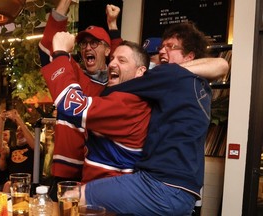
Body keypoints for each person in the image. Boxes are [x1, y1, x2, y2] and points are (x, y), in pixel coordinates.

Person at [50, 21, 226, 215]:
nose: (162, 52)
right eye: (161, 47)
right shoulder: (196, 85)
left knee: (71, 197)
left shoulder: (166, 77)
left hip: (160, 186)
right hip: (185, 192)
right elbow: (221, 64)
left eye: (171, 47)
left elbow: (73, 106)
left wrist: (59, 53)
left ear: (190, 57)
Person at [42, 33, 152, 182]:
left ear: (140, 71)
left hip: (105, 197)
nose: (112, 63)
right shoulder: (125, 97)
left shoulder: (128, 103)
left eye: (122, 60)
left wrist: (61, 53)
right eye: (112, 58)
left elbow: (72, 106)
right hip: (100, 190)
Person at [39, 0, 116, 200]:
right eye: (83, 44)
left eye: (94, 43)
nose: (87, 48)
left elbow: (125, 58)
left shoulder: (116, 87)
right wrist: (65, 3)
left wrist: (113, 26)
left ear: (108, 51)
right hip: (65, 174)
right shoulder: (72, 74)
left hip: (100, 175)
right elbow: (48, 48)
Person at [0, 109, 42, 193]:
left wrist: (18, 119)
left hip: (29, 185)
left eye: (22, 131)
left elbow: (36, 146)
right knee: (7, 185)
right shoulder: (12, 148)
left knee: (8, 185)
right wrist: (1, 122)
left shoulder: (36, 146)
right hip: (12, 184)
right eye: (17, 131)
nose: (19, 133)